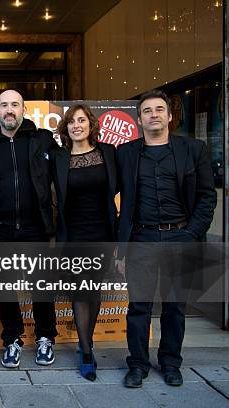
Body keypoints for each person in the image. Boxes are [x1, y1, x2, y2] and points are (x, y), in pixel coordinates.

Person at [117, 89, 216, 388]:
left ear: (170, 116)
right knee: (139, 307)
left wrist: (191, 234)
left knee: (175, 307)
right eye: (147, 111)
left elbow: (206, 197)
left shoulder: (193, 150)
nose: (154, 114)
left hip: (181, 236)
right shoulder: (127, 153)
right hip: (141, 239)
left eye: (159, 109)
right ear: (139, 119)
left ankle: (171, 363)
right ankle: (137, 365)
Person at [0, 89, 58, 368]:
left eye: (15, 105)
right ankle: (12, 339)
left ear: (24, 109)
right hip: (0, 228)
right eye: (4, 105)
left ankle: (45, 337)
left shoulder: (43, 140)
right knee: (6, 288)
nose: (9, 110)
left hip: (36, 227)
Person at [51, 104, 118, 381]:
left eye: (82, 120)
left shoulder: (108, 153)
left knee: (95, 290)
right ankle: (88, 351)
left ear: (90, 124)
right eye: (71, 121)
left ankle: (84, 341)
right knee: (80, 290)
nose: (77, 125)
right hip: (73, 234)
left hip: (103, 232)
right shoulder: (58, 158)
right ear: (65, 128)